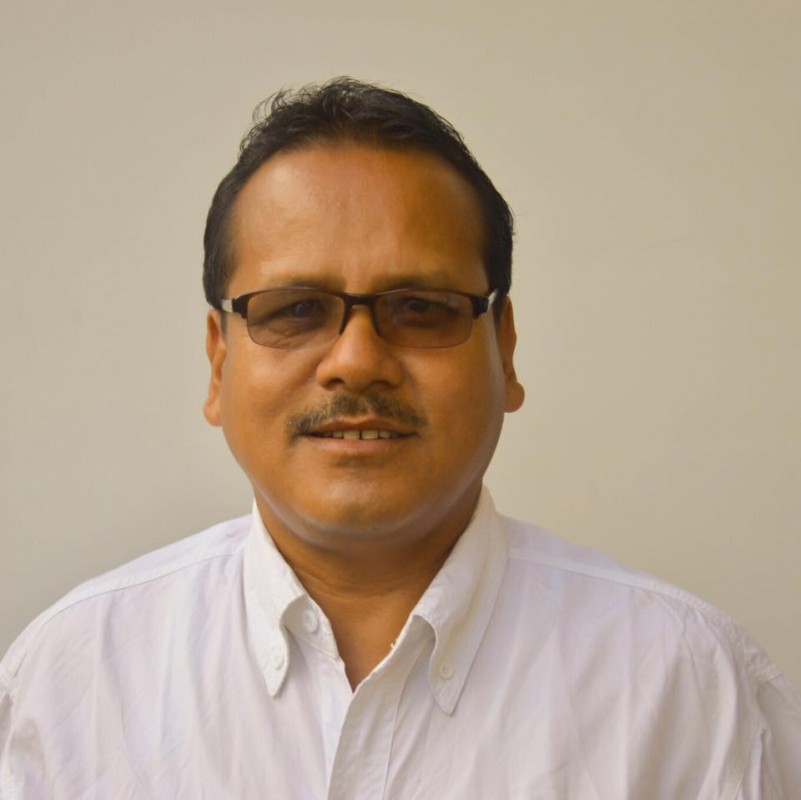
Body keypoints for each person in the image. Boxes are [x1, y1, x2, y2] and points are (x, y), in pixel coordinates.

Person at [1, 78, 799, 799]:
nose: (355, 361)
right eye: (295, 310)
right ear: (219, 363)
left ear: (504, 351)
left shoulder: (686, 686)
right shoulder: (74, 679)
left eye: (419, 308)